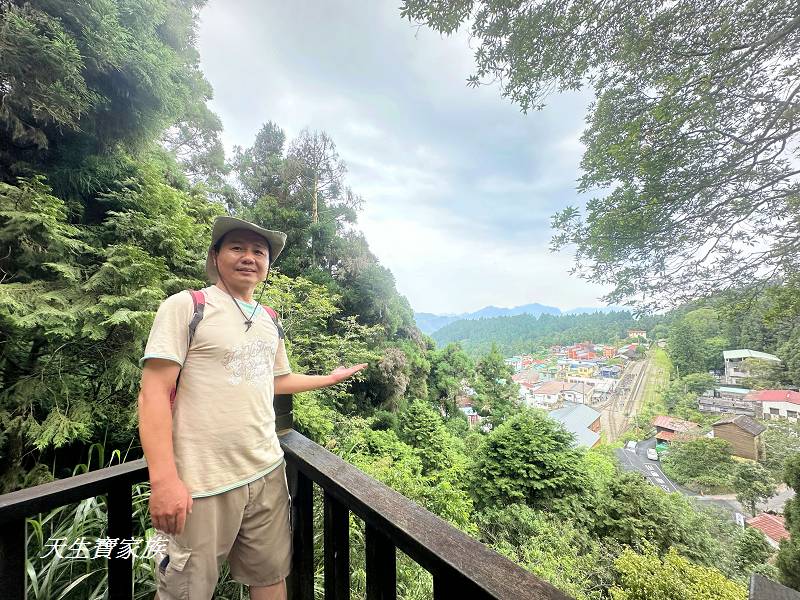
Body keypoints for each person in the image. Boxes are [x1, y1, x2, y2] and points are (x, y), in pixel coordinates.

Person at [138, 216, 366, 600]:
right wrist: (164, 482)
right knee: (185, 590)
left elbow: (276, 380)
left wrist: (327, 378)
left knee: (270, 576)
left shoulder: (269, 319)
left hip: (266, 471)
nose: (249, 257)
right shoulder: (187, 306)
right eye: (237, 248)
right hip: (201, 483)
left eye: (258, 251)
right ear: (216, 256)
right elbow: (154, 393)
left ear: (268, 265)